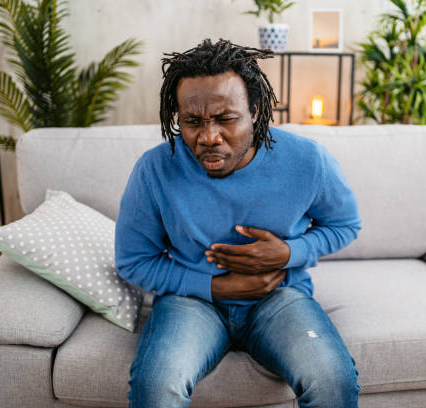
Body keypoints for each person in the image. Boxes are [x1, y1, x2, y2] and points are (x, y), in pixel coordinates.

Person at [115, 38, 362, 408]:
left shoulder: (307, 159)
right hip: (191, 302)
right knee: (155, 385)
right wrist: (215, 287)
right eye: (192, 122)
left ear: (255, 111)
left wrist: (288, 253)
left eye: (226, 119)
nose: (208, 137)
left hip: (279, 297)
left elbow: (345, 224)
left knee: (332, 380)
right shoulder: (155, 169)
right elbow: (133, 260)